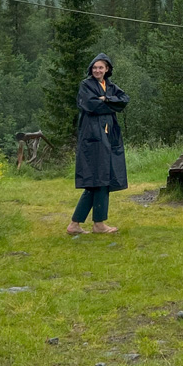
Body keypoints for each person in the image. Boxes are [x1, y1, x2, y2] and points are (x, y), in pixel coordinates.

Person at [66, 53, 130, 236]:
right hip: (92, 139)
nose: (97, 70)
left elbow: (124, 100)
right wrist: (109, 103)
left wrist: (107, 99)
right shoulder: (86, 85)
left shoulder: (110, 86)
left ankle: (75, 224)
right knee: (99, 180)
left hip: (108, 138)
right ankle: (98, 224)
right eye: (95, 67)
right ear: (91, 69)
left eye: (101, 67)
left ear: (107, 69)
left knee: (99, 181)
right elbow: (91, 106)